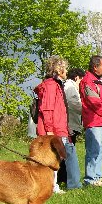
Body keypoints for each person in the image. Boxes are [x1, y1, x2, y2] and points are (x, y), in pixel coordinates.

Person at [34, 55, 73, 194]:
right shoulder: (51, 85)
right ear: (59, 69)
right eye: (65, 68)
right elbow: (47, 109)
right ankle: (51, 187)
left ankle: (51, 186)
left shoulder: (55, 85)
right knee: (52, 158)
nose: (66, 71)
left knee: (56, 158)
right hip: (52, 130)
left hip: (58, 128)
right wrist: (50, 130)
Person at [79, 55, 102, 187]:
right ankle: (90, 179)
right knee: (93, 151)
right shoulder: (88, 81)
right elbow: (95, 103)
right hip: (94, 122)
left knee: (100, 150)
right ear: (95, 67)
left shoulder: (96, 81)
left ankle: (97, 178)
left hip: (101, 121)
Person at [57, 67, 86, 189]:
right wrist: (87, 110)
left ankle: (62, 179)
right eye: (81, 80)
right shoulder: (70, 86)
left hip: (71, 123)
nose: (81, 83)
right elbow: (73, 103)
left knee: (66, 152)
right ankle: (63, 178)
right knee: (67, 153)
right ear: (77, 77)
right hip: (70, 124)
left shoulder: (69, 86)